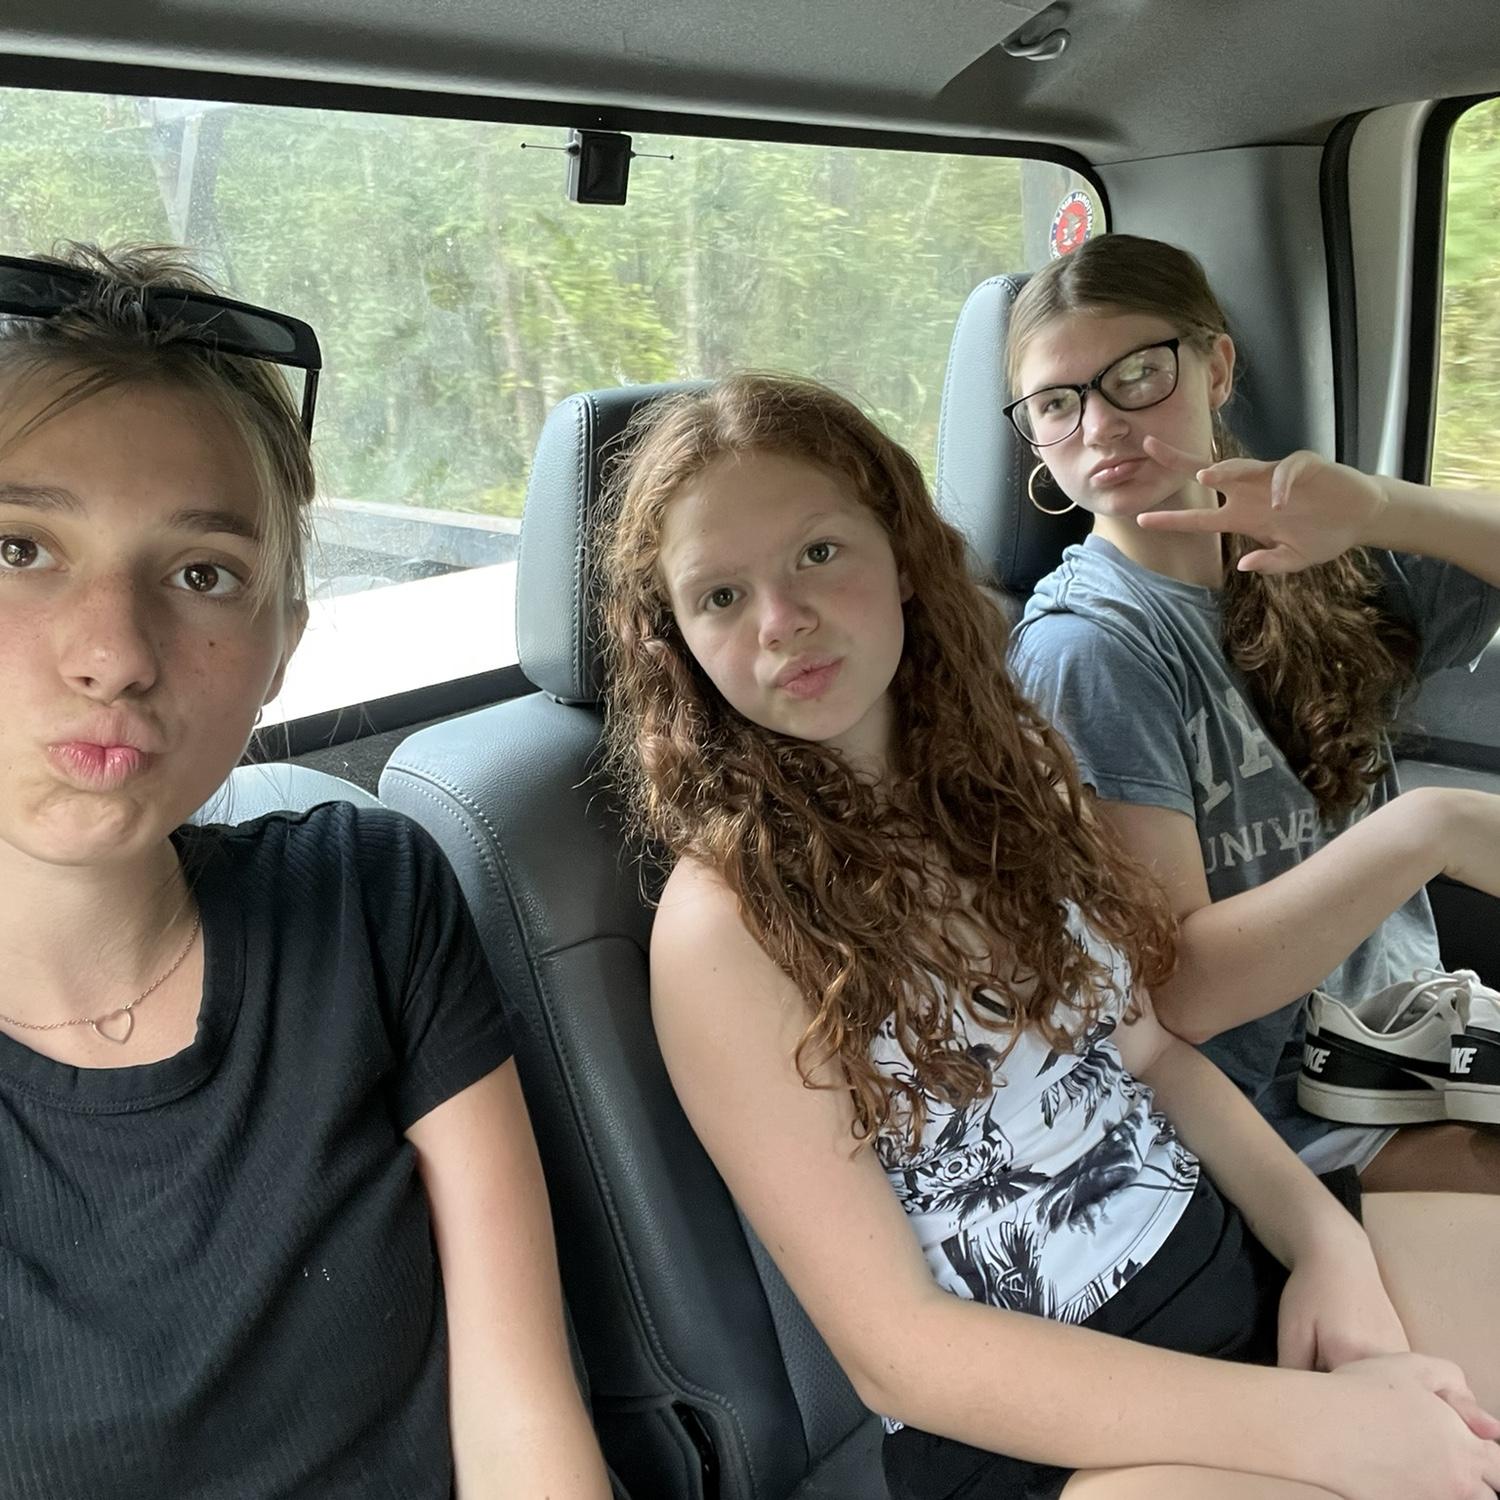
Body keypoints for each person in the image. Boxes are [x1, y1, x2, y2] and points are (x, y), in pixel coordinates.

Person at [597, 371, 1500, 1500]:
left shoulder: (1015, 768)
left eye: (818, 553)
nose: (781, 620)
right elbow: (900, 1350)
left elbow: (1153, 1051)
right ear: (678, 642)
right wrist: (1321, 1428)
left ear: (902, 554)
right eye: (721, 596)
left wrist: (1328, 1247)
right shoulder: (728, 925)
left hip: (1224, 1264)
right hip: (1042, 1431)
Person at [0, 244, 611, 1500]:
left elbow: (522, 1426)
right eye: (19, 549)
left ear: (282, 642)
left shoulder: (366, 894)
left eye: (203, 574)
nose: (115, 652)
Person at [1003, 233, 1500, 1193]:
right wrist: (1428, 831)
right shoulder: (1088, 649)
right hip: (1279, 1114)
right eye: (1057, 404)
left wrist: (1381, 509)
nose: (1100, 426)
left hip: (1419, 1042)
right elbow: (1184, 992)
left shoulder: (1313, 560)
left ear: (1217, 367)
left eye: (1137, 375)